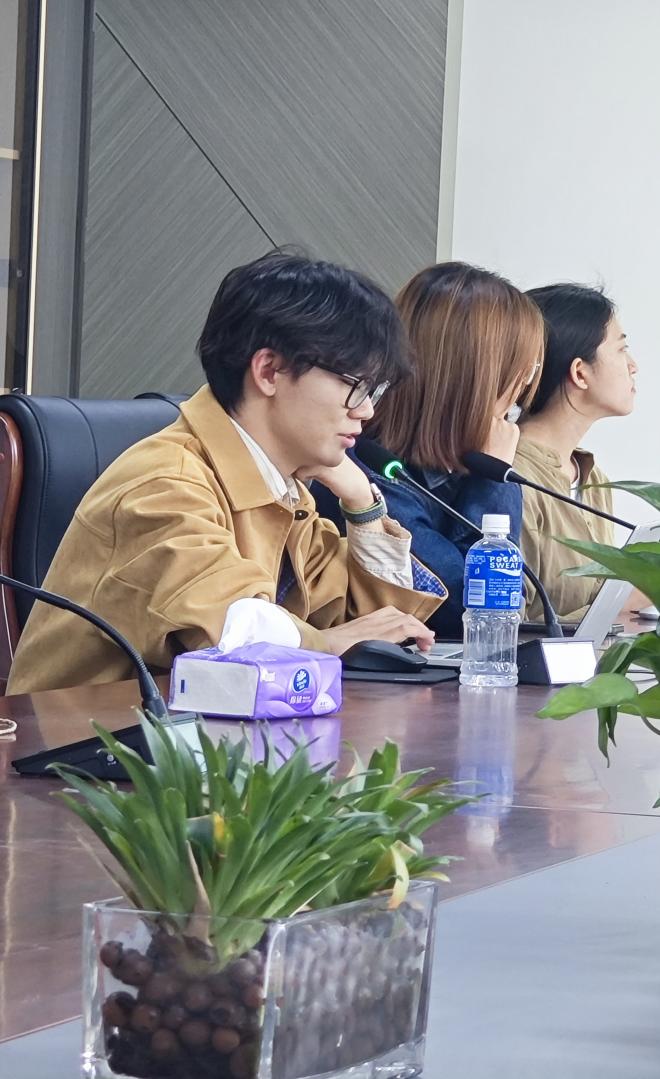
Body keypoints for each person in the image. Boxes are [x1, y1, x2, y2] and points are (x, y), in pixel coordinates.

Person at [7, 251, 447, 694]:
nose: (367, 410)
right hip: (82, 733)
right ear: (270, 371)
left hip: (199, 729)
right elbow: (231, 630)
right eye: (355, 386)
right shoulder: (164, 481)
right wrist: (327, 644)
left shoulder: (283, 489)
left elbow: (374, 627)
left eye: (375, 390)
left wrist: (363, 504)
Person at [314, 261, 544, 637]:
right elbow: (475, 611)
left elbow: (509, 608)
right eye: (524, 371)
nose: (522, 390)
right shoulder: (367, 473)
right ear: (474, 377)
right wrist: (493, 479)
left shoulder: (453, 470)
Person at [514, 283, 638, 622]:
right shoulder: (513, 477)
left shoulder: (593, 478)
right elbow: (507, 627)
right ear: (580, 373)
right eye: (621, 349)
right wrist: (619, 604)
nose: (633, 366)